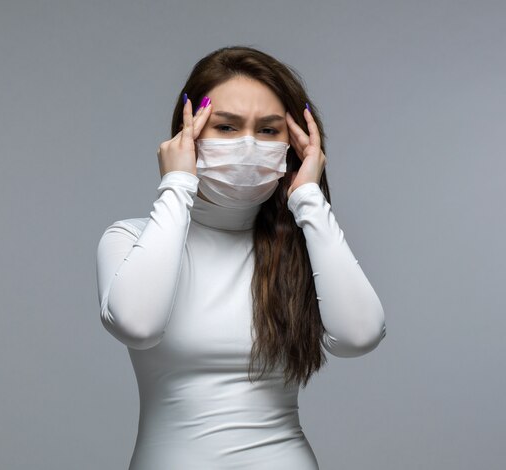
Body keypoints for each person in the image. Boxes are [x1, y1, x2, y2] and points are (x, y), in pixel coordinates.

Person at [95, 45, 386, 470]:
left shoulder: (305, 246)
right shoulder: (132, 238)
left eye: (268, 131)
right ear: (187, 134)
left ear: (293, 148)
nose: (248, 145)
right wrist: (177, 184)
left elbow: (360, 336)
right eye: (227, 127)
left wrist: (308, 197)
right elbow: (138, 325)